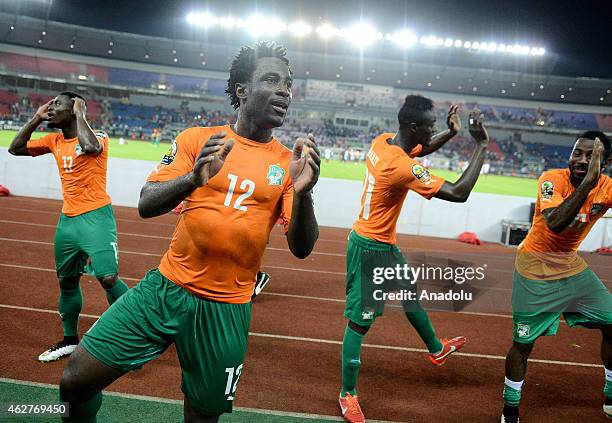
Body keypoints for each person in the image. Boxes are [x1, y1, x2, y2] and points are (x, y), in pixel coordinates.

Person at [58, 41, 320, 423]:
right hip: (165, 289)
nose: (285, 90)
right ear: (243, 89)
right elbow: (147, 203)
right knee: (74, 383)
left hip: (226, 309)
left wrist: (305, 194)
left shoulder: (287, 163)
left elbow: (302, 248)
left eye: (289, 83)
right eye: (272, 79)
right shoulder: (199, 139)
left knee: (201, 418)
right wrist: (193, 178)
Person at [339, 96, 489, 422]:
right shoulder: (401, 166)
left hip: (382, 245)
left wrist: (449, 134)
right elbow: (458, 192)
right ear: (412, 127)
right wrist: (481, 147)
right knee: (359, 323)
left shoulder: (384, 143)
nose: (433, 129)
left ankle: (436, 349)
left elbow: (418, 151)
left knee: (409, 295)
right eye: (430, 126)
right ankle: (347, 394)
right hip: (370, 251)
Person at [8, 92, 129, 362]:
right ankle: (70, 340)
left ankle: (135, 333)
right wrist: (36, 118)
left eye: (56, 106)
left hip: (96, 218)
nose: (51, 110)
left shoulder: (99, 137)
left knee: (108, 278)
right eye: (49, 107)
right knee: (67, 282)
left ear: (74, 109)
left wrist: (81, 113)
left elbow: (90, 148)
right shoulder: (53, 140)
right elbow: (15, 148)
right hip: (68, 222)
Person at [501, 131, 612, 423]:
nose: (581, 160)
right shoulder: (551, 179)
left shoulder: (608, 187)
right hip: (534, 268)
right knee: (522, 344)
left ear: (605, 161)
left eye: (590, 156)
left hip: (570, 266)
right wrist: (589, 181)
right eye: (577, 153)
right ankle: (509, 411)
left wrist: (597, 180)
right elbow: (556, 223)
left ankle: (611, 393)